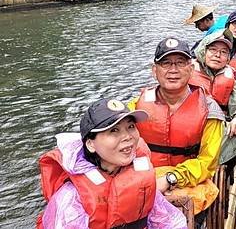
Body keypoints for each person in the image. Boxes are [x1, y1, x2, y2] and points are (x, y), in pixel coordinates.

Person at [38, 98, 187, 228]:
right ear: (90, 144)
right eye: (114, 130)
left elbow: (166, 221)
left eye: (130, 127)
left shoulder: (141, 178)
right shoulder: (71, 196)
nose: (127, 137)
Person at [130, 36, 225, 224]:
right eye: (166, 63)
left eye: (180, 63)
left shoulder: (209, 110)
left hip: (189, 182)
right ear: (154, 70)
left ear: (191, 69)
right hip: (144, 178)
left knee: (186, 207)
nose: (173, 70)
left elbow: (207, 162)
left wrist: (170, 178)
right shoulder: (136, 107)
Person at [191, 29, 236, 165]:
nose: (217, 55)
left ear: (228, 58)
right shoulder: (187, 72)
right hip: (190, 129)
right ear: (203, 51)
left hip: (216, 130)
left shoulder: (229, 79)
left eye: (223, 52)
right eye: (213, 50)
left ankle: (224, 176)